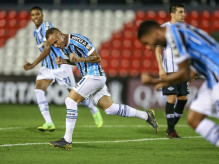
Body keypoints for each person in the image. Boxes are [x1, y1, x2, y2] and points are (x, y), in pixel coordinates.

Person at [45, 27, 158, 150]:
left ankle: (67, 140)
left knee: (70, 100)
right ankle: (146, 115)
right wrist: (64, 61)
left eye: (56, 41)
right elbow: (77, 62)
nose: (56, 45)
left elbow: (97, 58)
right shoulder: (63, 47)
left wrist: (78, 59)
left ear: (61, 34)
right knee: (111, 109)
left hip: (94, 75)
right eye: (53, 44)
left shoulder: (78, 41)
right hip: (92, 77)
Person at [138, 20, 219, 147]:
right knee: (194, 119)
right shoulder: (178, 31)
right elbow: (190, 72)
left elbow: (184, 73)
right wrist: (165, 82)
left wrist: (154, 81)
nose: (149, 47)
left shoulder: (174, 34)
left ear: (154, 32)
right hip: (211, 78)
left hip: (217, 74)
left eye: (147, 43)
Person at [23, 6, 103, 131]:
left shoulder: (47, 27)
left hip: (60, 66)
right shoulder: (35, 32)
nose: (36, 17)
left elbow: (47, 48)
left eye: (38, 14)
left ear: (42, 15)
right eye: (33, 15)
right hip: (47, 67)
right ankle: (49, 122)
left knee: (74, 93)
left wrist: (33, 64)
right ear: (31, 17)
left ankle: (93, 109)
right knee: (38, 90)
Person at [155, 3, 189, 138]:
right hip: (169, 70)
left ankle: (171, 127)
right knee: (172, 97)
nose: (184, 14)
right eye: (181, 12)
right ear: (173, 14)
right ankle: (171, 130)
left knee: (183, 98)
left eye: (184, 12)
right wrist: (160, 68)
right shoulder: (164, 29)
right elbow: (158, 50)